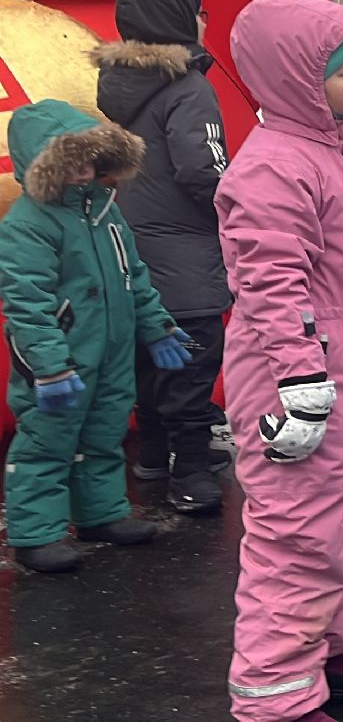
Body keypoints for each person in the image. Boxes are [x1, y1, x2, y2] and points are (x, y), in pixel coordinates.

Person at [217, 0, 343, 722]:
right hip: (298, 385)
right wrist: (301, 380)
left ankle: (327, 641)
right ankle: (275, 695)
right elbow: (268, 282)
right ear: (298, 77)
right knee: (296, 535)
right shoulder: (272, 167)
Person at [0, 100, 187, 574]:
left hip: (112, 353)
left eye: (92, 157)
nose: (86, 169)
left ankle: (100, 514)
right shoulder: (28, 224)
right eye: (72, 160)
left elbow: (134, 277)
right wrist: (49, 366)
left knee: (104, 434)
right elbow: (26, 302)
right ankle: (35, 534)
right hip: (60, 361)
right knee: (47, 442)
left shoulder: (106, 212)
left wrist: (157, 326)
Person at [92, 0, 234, 514]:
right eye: (198, 11)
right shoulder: (189, 87)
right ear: (179, 19)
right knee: (194, 358)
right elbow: (204, 171)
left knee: (147, 354)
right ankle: (193, 471)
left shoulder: (118, 86)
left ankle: (152, 453)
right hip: (186, 252)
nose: (204, 21)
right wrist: (237, 206)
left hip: (130, 248)